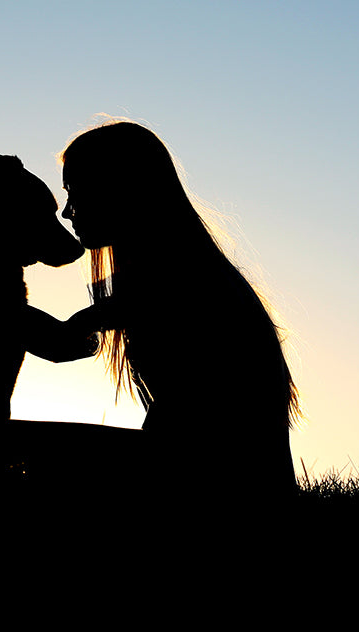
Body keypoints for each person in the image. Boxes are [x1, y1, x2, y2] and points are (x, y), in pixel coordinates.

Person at [58, 120, 301, 498]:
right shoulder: (187, 272)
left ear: (118, 188)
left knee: (5, 442)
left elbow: (188, 438)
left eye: (76, 191)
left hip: (223, 485)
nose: (68, 211)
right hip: (237, 482)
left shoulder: (173, 280)